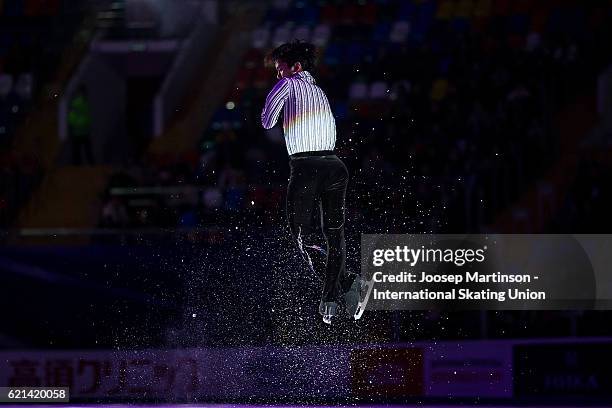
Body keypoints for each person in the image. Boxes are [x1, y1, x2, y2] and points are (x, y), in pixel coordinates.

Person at [261, 40, 362, 324]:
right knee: (334, 235)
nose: (277, 75)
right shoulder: (319, 91)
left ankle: (347, 282)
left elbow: (267, 121)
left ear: (296, 67)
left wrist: (278, 96)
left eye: (280, 69)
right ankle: (332, 295)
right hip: (335, 166)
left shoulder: (288, 84)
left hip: (307, 167)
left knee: (302, 235)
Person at [68, 86, 95, 165]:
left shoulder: (82, 102)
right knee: (83, 151)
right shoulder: (79, 103)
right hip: (80, 131)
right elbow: (73, 116)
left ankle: (80, 165)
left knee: (80, 151)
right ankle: (87, 165)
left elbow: (72, 117)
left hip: (81, 131)